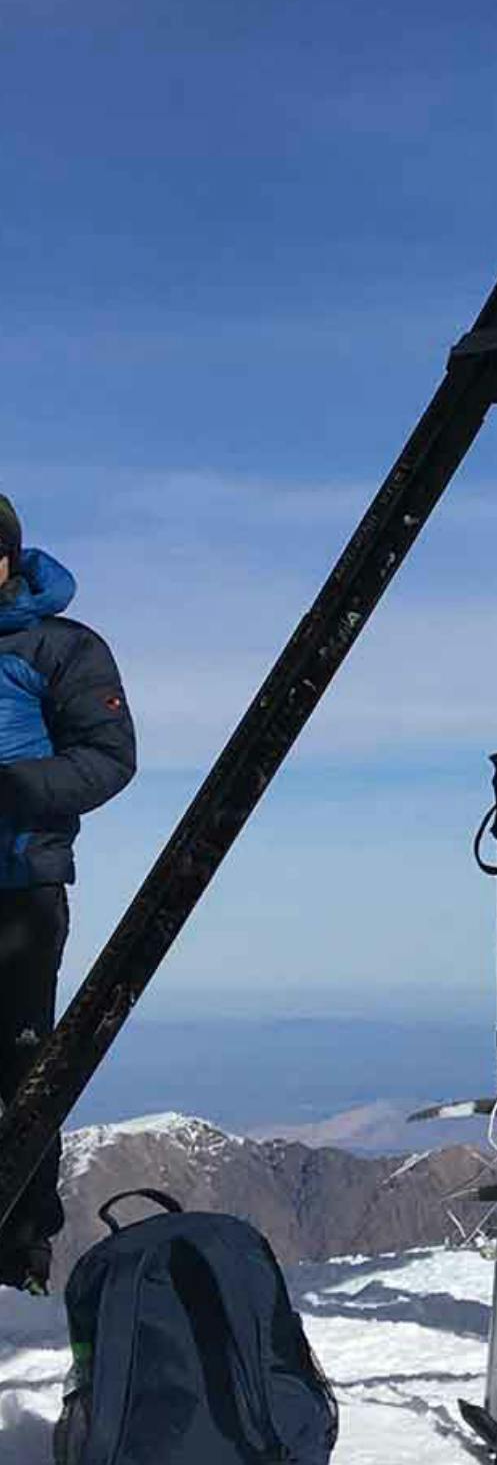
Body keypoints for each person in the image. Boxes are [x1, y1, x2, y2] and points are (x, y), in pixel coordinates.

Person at [0, 493, 139, 1294]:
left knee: (21, 1072)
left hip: (18, 888)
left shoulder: (59, 648)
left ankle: (20, 1258)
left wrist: (10, 789)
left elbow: (107, 758)